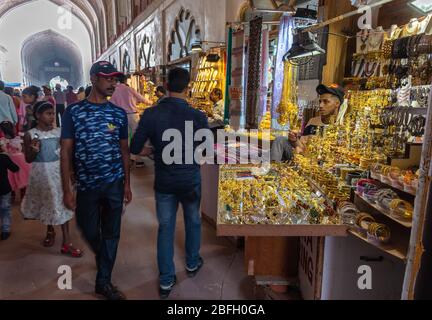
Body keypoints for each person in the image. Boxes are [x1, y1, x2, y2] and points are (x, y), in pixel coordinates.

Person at [131, 68, 209, 299]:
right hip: (190, 179)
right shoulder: (198, 116)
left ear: (165, 84)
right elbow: (205, 148)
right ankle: (192, 263)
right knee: (193, 220)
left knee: (166, 228)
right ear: (188, 87)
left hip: (165, 180)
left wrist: (153, 152)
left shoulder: (151, 115)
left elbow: (135, 147)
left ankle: (166, 280)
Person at [61, 61, 132, 300]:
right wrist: (66, 190)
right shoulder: (74, 112)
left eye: (115, 79)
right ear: (93, 79)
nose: (113, 83)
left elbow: (124, 151)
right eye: (107, 78)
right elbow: (66, 151)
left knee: (112, 233)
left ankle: (103, 282)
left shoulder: (118, 114)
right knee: (88, 228)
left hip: (114, 182)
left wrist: (128, 184)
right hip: (87, 185)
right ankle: (105, 258)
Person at [21, 101, 83, 257]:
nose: (52, 117)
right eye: (48, 114)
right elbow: (28, 159)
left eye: (52, 113)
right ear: (37, 116)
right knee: (48, 201)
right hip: (41, 173)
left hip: (57, 172)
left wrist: (71, 171)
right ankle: (50, 230)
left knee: (62, 202)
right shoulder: (31, 134)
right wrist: (34, 151)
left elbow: (67, 155)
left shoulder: (59, 132)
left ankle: (66, 242)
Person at [270, 84, 345, 162]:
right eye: (320, 101)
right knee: (280, 140)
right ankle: (274, 170)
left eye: (326, 102)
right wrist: (295, 140)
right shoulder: (313, 121)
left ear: (337, 104)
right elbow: (302, 148)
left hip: (326, 164)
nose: (321, 105)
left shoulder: (343, 127)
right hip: (306, 159)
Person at [110, 74, 152, 167]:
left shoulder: (115, 91)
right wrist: (151, 102)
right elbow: (141, 98)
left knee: (125, 138)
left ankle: (128, 158)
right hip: (133, 116)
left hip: (121, 117)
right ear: (125, 81)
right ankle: (137, 159)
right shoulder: (129, 89)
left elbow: (111, 103)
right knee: (136, 137)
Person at [0, 121, 30, 203]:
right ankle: (25, 197)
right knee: (21, 178)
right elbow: (22, 149)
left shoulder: (3, 141)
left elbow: (5, 151)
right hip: (21, 159)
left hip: (11, 160)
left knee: (13, 179)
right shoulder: (18, 138)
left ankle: (17, 198)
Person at [0, 137, 19, 241]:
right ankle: (5, 230)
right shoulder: (4, 158)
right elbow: (15, 168)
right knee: (5, 209)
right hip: (4, 187)